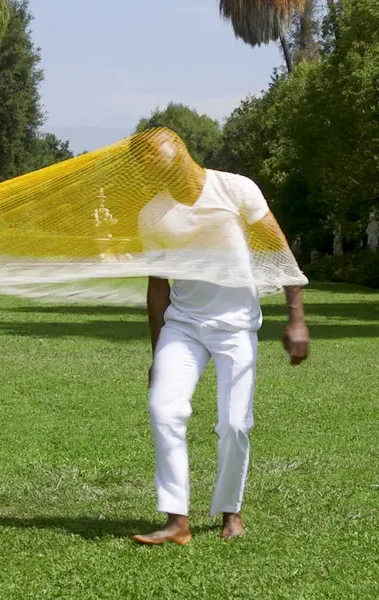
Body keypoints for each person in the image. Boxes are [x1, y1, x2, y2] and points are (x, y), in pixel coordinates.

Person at [131, 129, 310, 545]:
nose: (167, 170)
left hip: (236, 325)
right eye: (155, 166)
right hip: (184, 325)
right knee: (164, 409)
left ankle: (232, 512)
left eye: (169, 160)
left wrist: (296, 320)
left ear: (184, 154)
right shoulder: (153, 214)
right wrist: (159, 355)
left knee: (234, 424)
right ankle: (177, 521)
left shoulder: (236, 189)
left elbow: (279, 251)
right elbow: (158, 287)